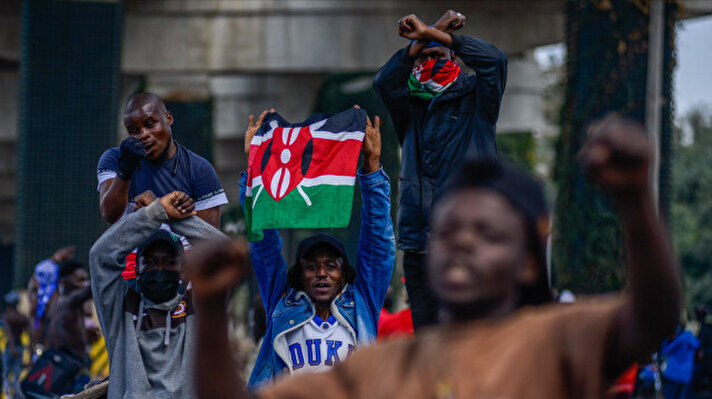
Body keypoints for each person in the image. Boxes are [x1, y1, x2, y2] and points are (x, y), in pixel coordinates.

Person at [188, 116, 681, 398]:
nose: (462, 242)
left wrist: (635, 201)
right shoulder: (382, 368)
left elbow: (653, 318)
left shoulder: (557, 337)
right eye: (447, 231)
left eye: (486, 231)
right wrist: (210, 308)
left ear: (530, 261)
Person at [205, 109, 395, 389]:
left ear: (344, 275)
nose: (321, 273)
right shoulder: (281, 302)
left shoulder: (361, 305)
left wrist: (372, 167)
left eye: (331, 266)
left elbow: (378, 244)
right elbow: (264, 246)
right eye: (312, 266)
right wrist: (257, 168)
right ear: (299, 275)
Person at [373, 10, 507, 329]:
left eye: (439, 54)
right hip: (420, 247)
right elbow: (384, 81)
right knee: (429, 346)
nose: (431, 60)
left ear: (456, 60)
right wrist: (422, 38)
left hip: (469, 244)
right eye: (425, 55)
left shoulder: (478, 100)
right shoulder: (410, 107)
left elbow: (495, 60)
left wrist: (436, 34)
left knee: (471, 339)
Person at [89, 190, 227, 398]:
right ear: (136, 269)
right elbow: (100, 256)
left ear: (184, 269)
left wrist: (172, 217)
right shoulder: (119, 306)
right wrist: (153, 214)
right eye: (150, 262)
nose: (159, 269)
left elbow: (226, 252)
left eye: (169, 262)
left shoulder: (200, 307)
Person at [660, 324, 700, 399]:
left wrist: (667, 340)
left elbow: (665, 350)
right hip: (686, 375)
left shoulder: (678, 339)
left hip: (673, 375)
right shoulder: (691, 338)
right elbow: (697, 346)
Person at [2, 291, 29, 399]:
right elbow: (29, 331)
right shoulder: (22, 317)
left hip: (10, 347)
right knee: (17, 373)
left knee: (6, 373)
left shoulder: (7, 317)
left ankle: (9, 395)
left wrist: (12, 347)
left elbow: (9, 334)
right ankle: (17, 395)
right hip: (20, 347)